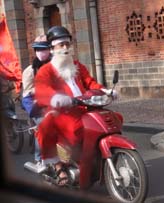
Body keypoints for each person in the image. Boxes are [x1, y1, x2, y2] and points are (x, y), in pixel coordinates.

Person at [34, 26, 117, 187]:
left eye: (67, 44)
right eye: (61, 45)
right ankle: (59, 167)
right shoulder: (46, 70)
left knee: (111, 119)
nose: (65, 48)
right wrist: (56, 97)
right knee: (47, 128)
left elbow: (90, 82)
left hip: (84, 106)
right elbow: (42, 89)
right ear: (52, 48)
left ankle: (96, 158)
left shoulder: (77, 65)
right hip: (61, 111)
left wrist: (105, 91)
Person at [22, 34, 51, 167]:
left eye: (44, 49)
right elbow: (27, 95)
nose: (41, 52)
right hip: (37, 105)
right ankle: (39, 158)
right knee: (43, 126)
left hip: (56, 102)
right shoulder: (30, 71)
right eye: (38, 50)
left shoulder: (56, 65)